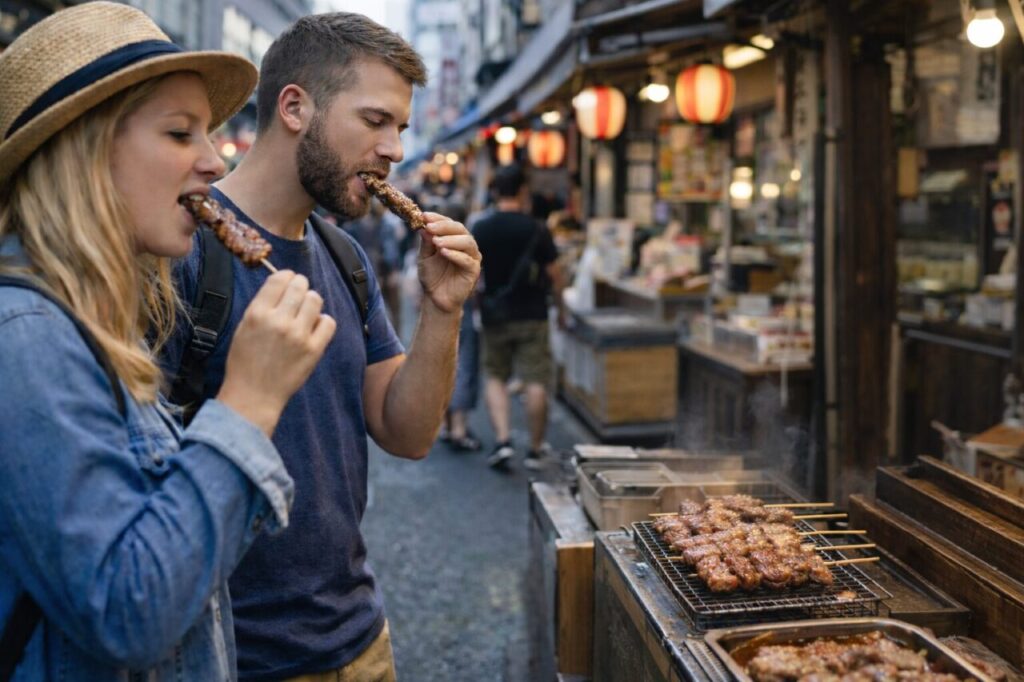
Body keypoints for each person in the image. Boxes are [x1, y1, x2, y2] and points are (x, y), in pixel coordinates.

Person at [0, 4, 334, 680]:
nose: (215, 161)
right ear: (86, 150)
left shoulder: (98, 325)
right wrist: (248, 402)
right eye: (181, 133)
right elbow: (131, 611)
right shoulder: (25, 338)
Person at [161, 12, 481, 681]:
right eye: (375, 121)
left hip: (360, 639)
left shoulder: (345, 255)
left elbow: (407, 431)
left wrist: (443, 310)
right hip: (230, 654)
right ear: (295, 106)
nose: (395, 149)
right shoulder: (181, 253)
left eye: (401, 128)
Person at [473, 165, 563, 469]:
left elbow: (473, 275)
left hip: (494, 313)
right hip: (533, 312)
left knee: (496, 374)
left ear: (495, 191)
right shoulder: (537, 228)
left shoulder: (482, 227)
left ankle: (502, 440)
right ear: (523, 191)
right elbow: (554, 273)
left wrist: (476, 306)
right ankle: (536, 450)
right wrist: (561, 308)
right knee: (536, 379)